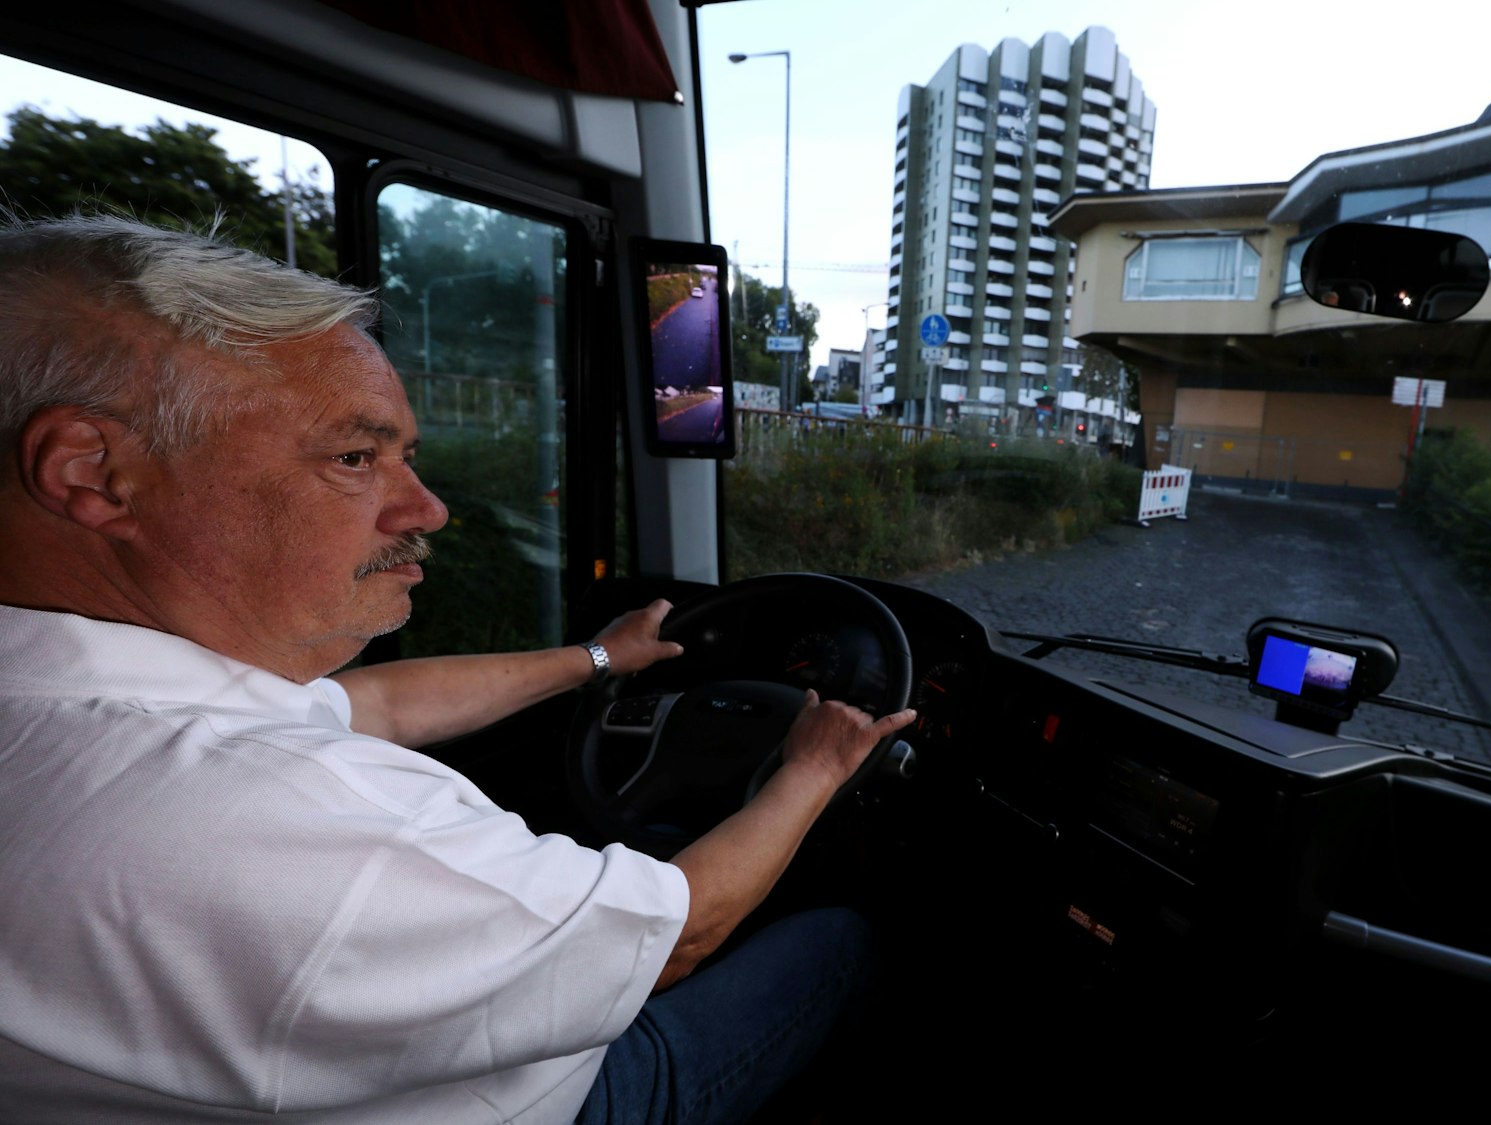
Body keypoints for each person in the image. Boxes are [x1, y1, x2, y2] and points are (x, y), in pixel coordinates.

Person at [0, 213, 915, 1123]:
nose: (428, 509)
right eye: (355, 457)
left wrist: (602, 657)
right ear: (93, 471)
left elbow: (370, 705)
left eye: (408, 456)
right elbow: (680, 930)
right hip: (567, 1098)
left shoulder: (79, 700)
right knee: (841, 941)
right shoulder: (297, 822)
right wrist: (815, 768)